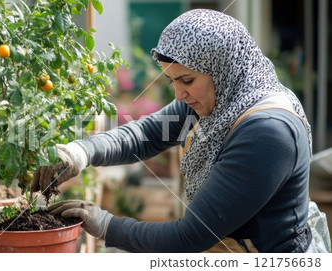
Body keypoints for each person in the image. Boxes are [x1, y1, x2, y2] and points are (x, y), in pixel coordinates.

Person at [32, 9, 313, 253]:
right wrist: (81, 152)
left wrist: (107, 225)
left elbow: (190, 236)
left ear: (221, 68)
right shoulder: (220, 96)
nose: (179, 94)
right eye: (171, 81)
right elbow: (145, 135)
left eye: (187, 80)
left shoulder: (268, 132)